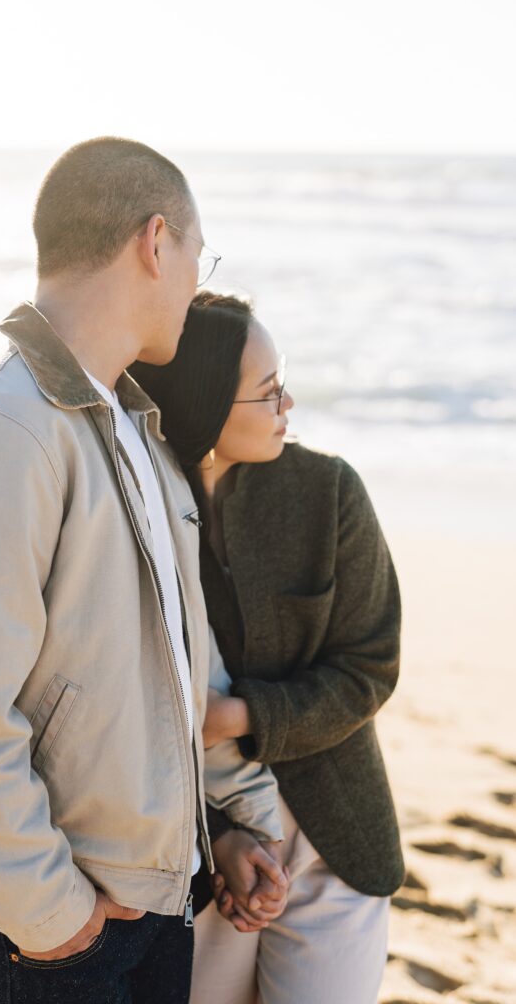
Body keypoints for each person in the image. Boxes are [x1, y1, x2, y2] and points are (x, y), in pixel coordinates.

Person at [0, 140, 289, 1004]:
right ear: (155, 241)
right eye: (195, 257)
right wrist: (53, 913)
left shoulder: (136, 428)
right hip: (37, 935)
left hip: (145, 907)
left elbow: (169, 673)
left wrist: (221, 827)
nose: (191, 281)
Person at [129, 291, 406, 1004]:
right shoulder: (140, 512)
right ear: (204, 408)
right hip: (202, 846)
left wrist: (244, 715)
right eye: (267, 390)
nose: (288, 402)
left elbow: (368, 668)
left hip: (334, 839)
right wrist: (221, 834)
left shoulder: (329, 491)